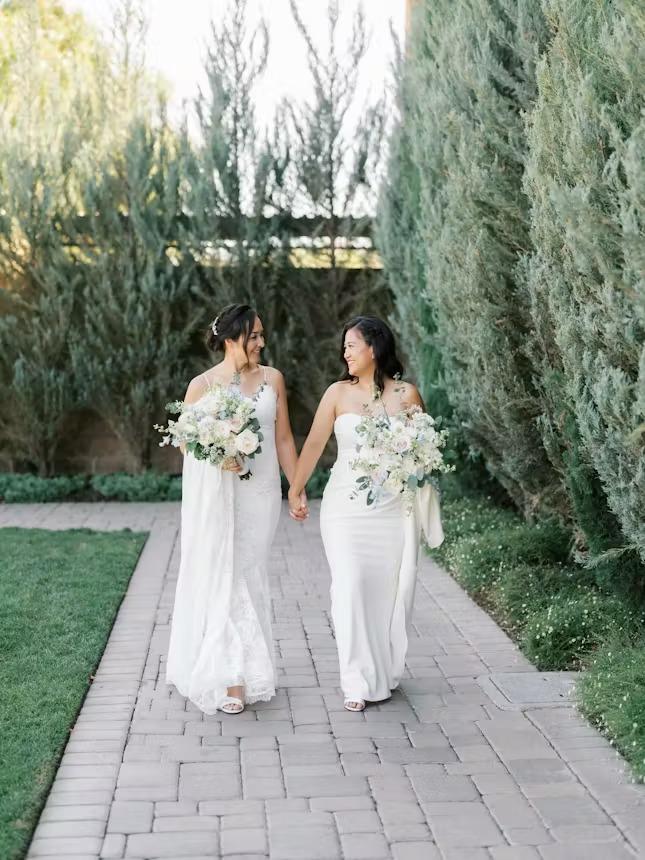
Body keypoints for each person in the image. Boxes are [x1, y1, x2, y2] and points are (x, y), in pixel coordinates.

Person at [166, 303, 303, 714]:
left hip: (261, 493)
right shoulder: (202, 385)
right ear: (230, 339)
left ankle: (242, 668)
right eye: (253, 335)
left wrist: (296, 487)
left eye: (262, 334)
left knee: (249, 571)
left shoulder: (273, 379)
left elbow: (283, 439)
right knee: (227, 575)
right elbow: (185, 442)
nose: (261, 342)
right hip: (221, 496)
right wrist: (217, 454)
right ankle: (234, 678)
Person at [288, 315, 428, 712]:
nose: (345, 353)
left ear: (374, 347)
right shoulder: (337, 393)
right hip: (344, 509)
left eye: (351, 345)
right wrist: (295, 489)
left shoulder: (407, 395)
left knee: (387, 591)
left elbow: (425, 451)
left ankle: (382, 669)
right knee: (349, 585)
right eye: (345, 347)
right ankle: (356, 681)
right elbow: (314, 444)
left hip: (392, 510)